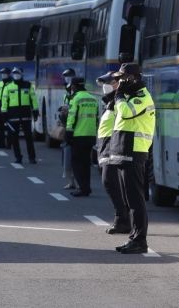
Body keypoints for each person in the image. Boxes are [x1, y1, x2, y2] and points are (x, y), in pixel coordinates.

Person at [109, 63, 155, 255]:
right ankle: (134, 238)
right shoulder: (130, 96)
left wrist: (119, 95)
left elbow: (126, 114)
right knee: (129, 199)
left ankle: (140, 240)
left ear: (133, 78)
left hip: (134, 152)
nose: (119, 82)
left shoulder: (142, 97)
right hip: (123, 151)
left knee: (136, 200)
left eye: (122, 78)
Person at [96, 72, 129, 234]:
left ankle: (122, 219)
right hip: (105, 145)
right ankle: (122, 219)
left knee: (110, 182)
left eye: (110, 82)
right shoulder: (110, 101)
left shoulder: (120, 101)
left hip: (113, 145)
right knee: (111, 183)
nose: (106, 86)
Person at [65, 77, 98, 197]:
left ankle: (81, 188)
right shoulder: (93, 98)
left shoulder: (76, 99)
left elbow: (71, 117)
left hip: (78, 135)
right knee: (86, 163)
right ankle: (86, 187)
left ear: (74, 86)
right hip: (90, 135)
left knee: (76, 163)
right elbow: (97, 118)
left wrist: (68, 133)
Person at [2, 67, 39, 164]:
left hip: (25, 115)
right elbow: (4, 101)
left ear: (22, 74)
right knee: (14, 138)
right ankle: (18, 157)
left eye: (18, 73)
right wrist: (4, 112)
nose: (16, 75)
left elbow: (33, 99)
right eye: (14, 73)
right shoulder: (8, 87)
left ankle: (32, 158)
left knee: (29, 138)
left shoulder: (28, 85)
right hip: (12, 115)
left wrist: (35, 110)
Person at [61, 68, 77, 189]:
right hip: (68, 127)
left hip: (74, 129)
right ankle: (71, 181)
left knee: (73, 157)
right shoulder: (67, 94)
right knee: (67, 156)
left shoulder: (77, 95)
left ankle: (75, 182)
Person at [0, 67, 12, 149]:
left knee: (9, 127)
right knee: (0, 127)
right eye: (2, 74)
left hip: (8, 107)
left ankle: (9, 144)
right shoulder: (0, 83)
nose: (3, 76)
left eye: (5, 74)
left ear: (8, 74)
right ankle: (1, 143)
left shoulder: (11, 84)